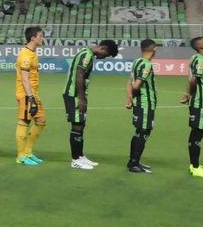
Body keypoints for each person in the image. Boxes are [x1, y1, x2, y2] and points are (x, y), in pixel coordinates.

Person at [62, 39, 120, 170]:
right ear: (103, 48)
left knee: (81, 124)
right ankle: (75, 160)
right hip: (73, 95)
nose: (103, 58)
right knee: (77, 125)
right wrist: (81, 98)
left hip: (77, 95)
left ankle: (80, 156)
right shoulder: (86, 55)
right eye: (105, 55)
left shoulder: (87, 53)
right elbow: (79, 75)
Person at [181, 35, 203, 179]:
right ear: (201, 46)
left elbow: (192, 79)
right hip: (200, 102)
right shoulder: (199, 59)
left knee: (198, 133)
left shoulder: (197, 59)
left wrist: (188, 94)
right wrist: (189, 94)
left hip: (201, 102)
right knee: (197, 134)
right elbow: (194, 79)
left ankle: (195, 165)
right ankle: (194, 167)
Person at [15, 26, 47, 166]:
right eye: (40, 36)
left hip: (33, 93)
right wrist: (30, 98)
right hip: (26, 94)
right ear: (33, 38)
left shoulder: (32, 52)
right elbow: (24, 78)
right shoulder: (26, 55)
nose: (42, 38)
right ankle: (21, 156)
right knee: (24, 121)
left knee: (41, 121)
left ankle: (28, 152)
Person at [125, 38, 158, 173]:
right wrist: (133, 95)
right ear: (154, 49)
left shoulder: (136, 62)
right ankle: (134, 163)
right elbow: (136, 85)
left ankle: (134, 161)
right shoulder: (146, 64)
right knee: (144, 132)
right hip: (145, 103)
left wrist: (129, 98)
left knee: (139, 132)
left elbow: (129, 83)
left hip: (139, 103)